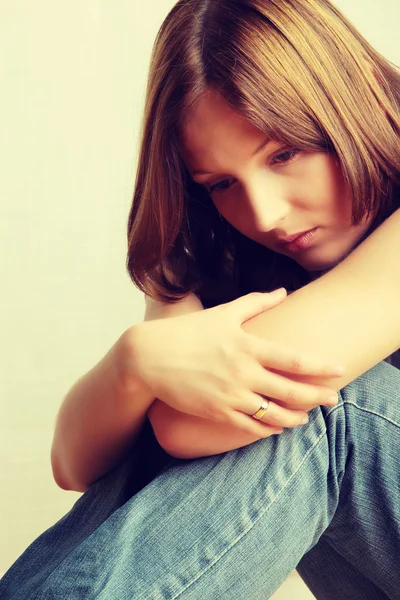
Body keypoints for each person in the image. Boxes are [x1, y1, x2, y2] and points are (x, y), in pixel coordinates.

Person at [1, 0, 399, 598]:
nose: (265, 213)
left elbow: (183, 424)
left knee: (311, 397)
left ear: (349, 104)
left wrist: (170, 381)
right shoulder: (230, 254)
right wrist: (135, 360)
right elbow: (76, 465)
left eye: (284, 154)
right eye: (221, 184)